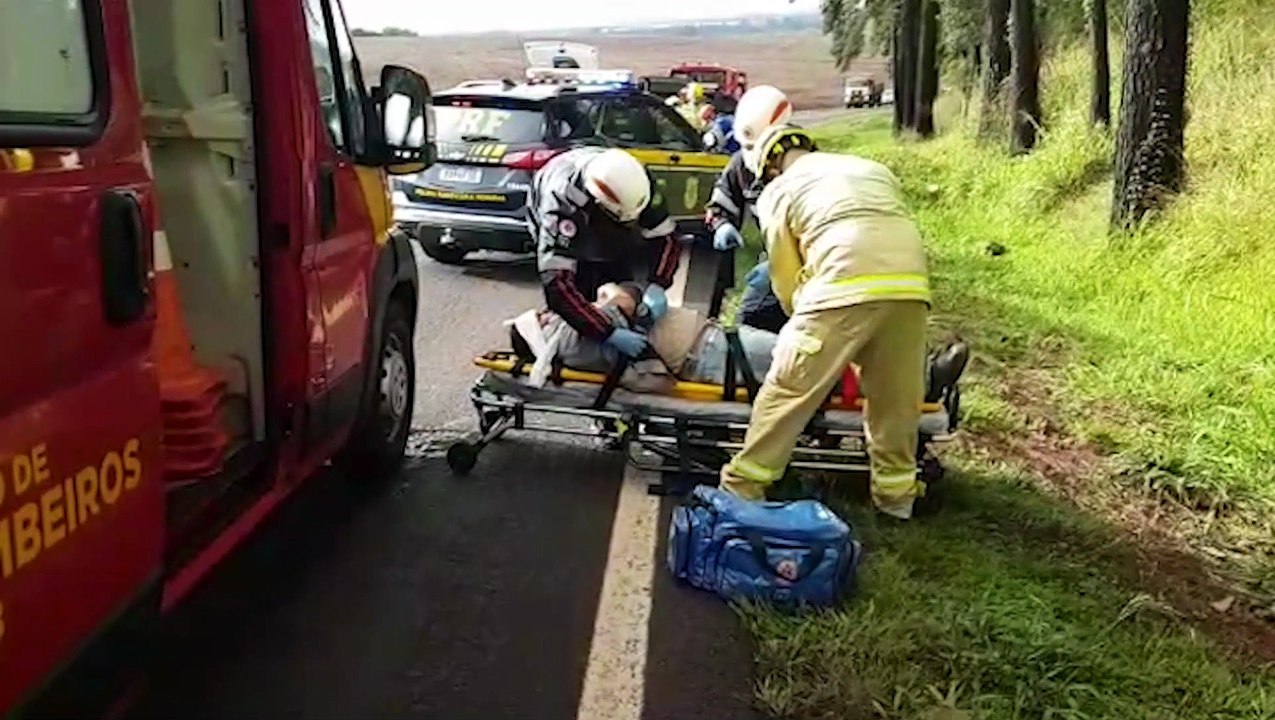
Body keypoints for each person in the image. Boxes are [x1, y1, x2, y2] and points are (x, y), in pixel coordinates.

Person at [718, 122, 933, 521]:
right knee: (896, 399)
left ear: (769, 168)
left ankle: (740, 490)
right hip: (910, 287)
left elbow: (785, 276)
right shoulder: (871, 169)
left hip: (840, 286)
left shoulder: (779, 192)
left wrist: (804, 325)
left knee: (787, 390)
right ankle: (897, 500)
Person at [506, 285, 968, 401]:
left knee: (813, 354)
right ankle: (920, 383)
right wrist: (618, 298)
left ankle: (908, 373)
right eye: (542, 316)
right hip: (706, 357)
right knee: (812, 362)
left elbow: (615, 296)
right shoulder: (566, 340)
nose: (548, 311)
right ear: (538, 332)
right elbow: (615, 305)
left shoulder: (573, 329)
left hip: (712, 343)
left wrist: (620, 295)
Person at [526, 147, 680, 362]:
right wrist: (606, 332)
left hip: (604, 199)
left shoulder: (639, 184)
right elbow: (557, 285)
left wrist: (659, 283)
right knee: (580, 298)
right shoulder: (561, 203)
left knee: (619, 285)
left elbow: (667, 237)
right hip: (550, 193)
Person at [703, 86, 793, 332]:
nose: (754, 156)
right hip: (772, 262)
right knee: (748, 324)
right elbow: (718, 204)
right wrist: (722, 225)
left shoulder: (805, 163)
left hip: (811, 268)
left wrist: (784, 263)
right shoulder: (741, 164)